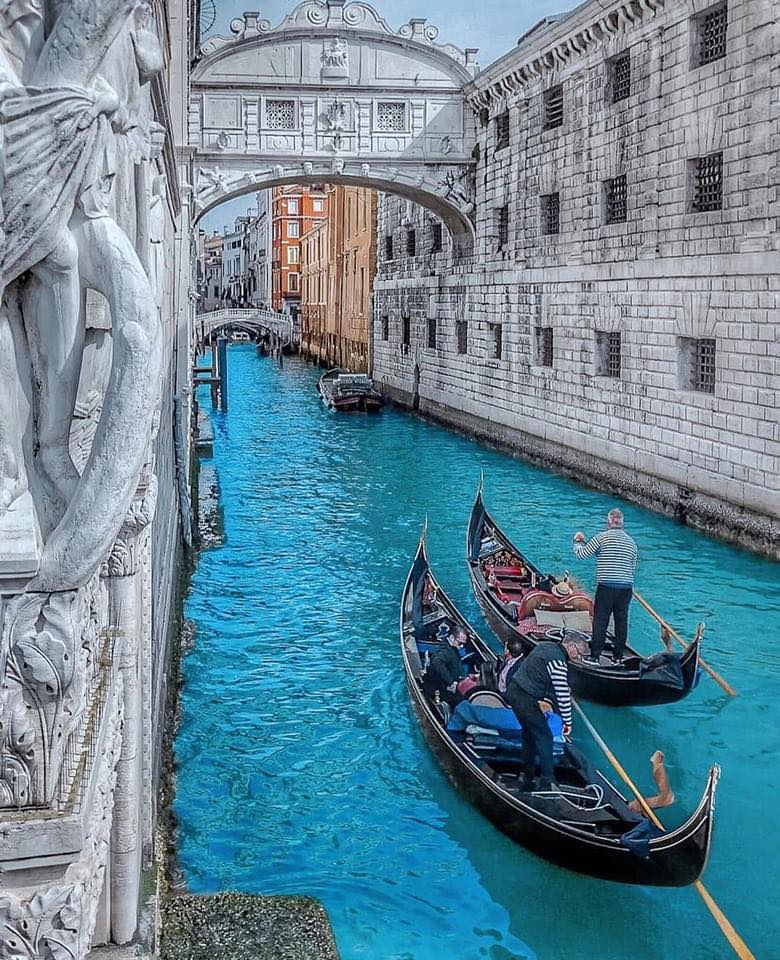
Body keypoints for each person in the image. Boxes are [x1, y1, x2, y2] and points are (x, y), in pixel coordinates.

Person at [504, 637, 587, 791]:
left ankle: (527, 777)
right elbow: (562, 696)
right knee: (545, 737)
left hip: (515, 691)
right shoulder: (558, 662)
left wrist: (562, 685)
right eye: (579, 653)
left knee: (529, 735)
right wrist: (568, 722)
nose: (578, 658)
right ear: (571, 646)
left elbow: (541, 673)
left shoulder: (546, 646)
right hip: (525, 698)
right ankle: (547, 782)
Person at [572, 508, 638, 665]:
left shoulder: (602, 538)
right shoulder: (632, 543)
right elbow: (632, 568)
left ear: (608, 522)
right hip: (626, 587)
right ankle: (618, 657)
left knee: (601, 620)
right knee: (621, 621)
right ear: (622, 523)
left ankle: (595, 656)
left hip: (607, 586)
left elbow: (582, 554)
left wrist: (577, 542)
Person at [426, 624, 469, 706]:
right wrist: (451, 682)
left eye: (464, 644)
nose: (462, 646)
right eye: (460, 643)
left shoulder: (452, 648)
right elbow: (436, 662)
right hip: (444, 689)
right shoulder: (445, 651)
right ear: (452, 637)